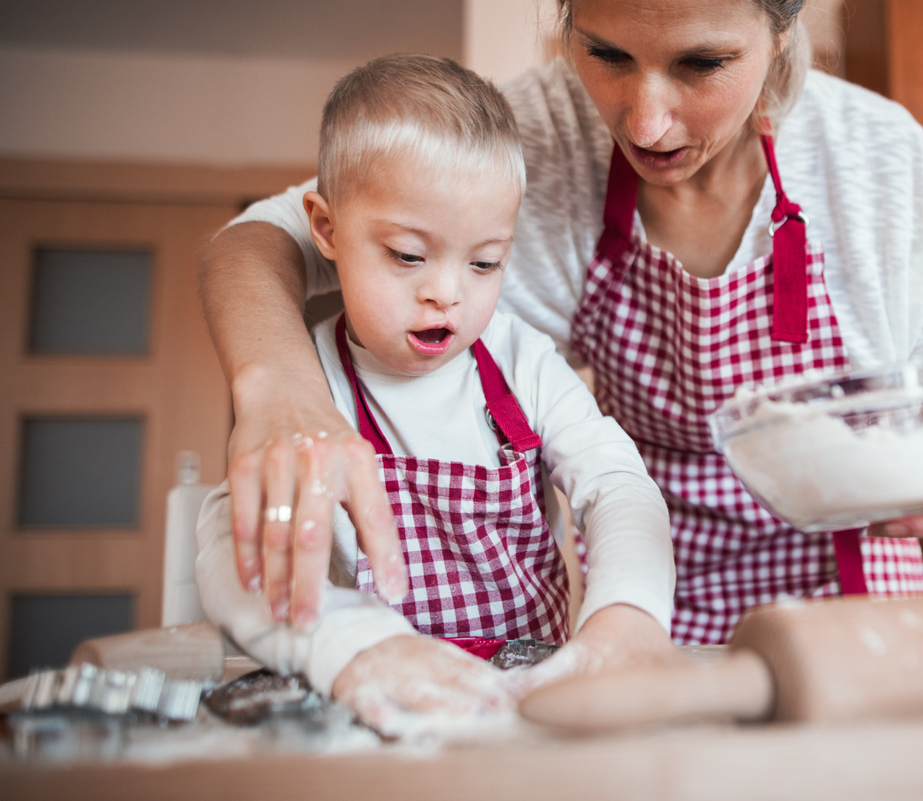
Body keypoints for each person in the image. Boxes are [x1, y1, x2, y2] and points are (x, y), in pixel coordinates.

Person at [199, 0, 923, 655]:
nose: (644, 122)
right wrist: (277, 387)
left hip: (850, 595)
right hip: (644, 587)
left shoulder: (881, 161)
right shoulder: (532, 135)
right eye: (605, 54)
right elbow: (256, 240)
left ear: (780, 31)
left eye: (702, 62)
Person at [194, 54, 674, 731]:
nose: (446, 292)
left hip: (522, 709)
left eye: (485, 262)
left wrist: (628, 612)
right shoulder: (311, 381)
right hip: (369, 713)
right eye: (409, 255)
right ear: (325, 229)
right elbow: (229, 544)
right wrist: (352, 647)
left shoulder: (521, 363)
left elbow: (617, 481)